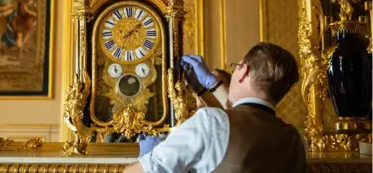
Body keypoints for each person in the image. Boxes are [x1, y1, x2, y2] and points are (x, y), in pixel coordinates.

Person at [124, 42, 306, 173]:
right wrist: (207, 87)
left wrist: (150, 156)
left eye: (236, 67)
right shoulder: (295, 140)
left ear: (244, 71)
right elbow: (247, 116)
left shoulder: (210, 121)